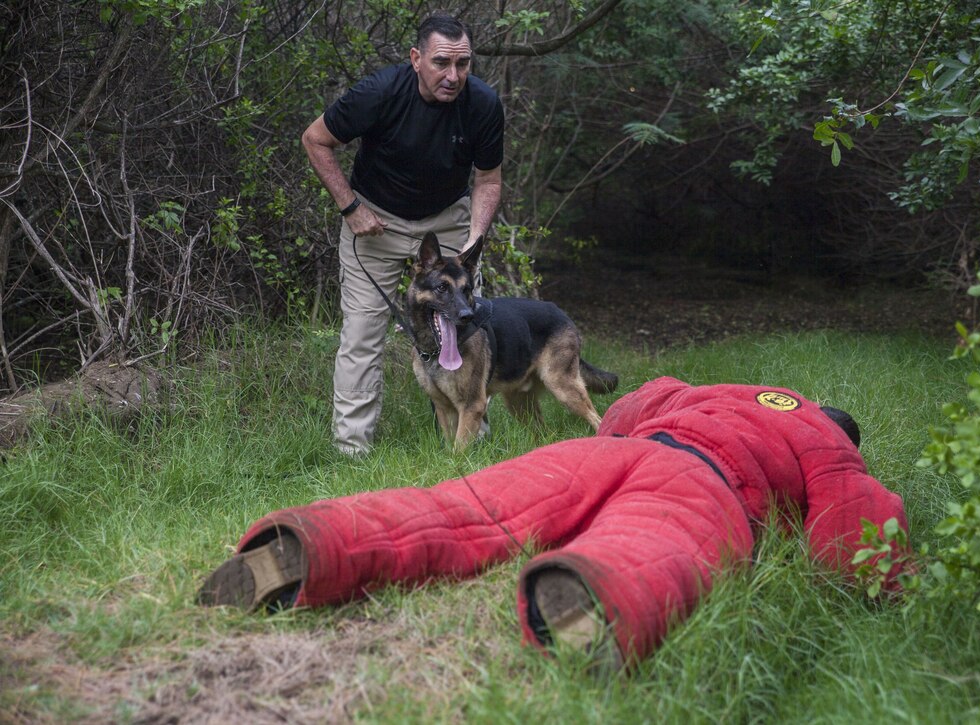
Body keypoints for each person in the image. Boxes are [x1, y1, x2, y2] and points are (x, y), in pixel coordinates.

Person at [198, 377, 911, 672]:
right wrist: (892, 578)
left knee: (463, 507)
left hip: (609, 450)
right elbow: (850, 538)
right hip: (703, 485)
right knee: (649, 548)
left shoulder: (716, 389)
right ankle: (582, 606)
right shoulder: (823, 438)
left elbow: (636, 403)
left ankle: (309, 544)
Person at [301, 14, 504, 455]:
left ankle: (471, 441)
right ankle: (352, 451)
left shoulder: (484, 104)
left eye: (464, 64)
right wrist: (350, 208)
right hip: (375, 221)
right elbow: (315, 139)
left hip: (447, 218)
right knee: (362, 332)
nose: (453, 76)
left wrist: (473, 237)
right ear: (416, 59)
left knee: (464, 325)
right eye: (441, 63)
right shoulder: (379, 93)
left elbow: (488, 179)